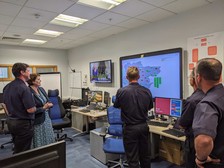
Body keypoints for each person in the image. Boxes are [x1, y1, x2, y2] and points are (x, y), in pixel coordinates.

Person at [114, 66, 153, 168]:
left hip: (130, 129)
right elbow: (149, 108)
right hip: (143, 127)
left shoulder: (121, 91)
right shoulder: (147, 91)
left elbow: (116, 106)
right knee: (145, 156)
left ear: (127, 77)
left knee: (132, 159)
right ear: (139, 76)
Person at [192, 58, 224, 168]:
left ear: (198, 78)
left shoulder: (207, 104)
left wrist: (202, 159)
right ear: (220, 77)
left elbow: (203, 141)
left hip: (215, 162)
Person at [3, 63, 36, 154]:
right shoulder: (24, 88)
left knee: (17, 147)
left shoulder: (7, 87)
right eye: (28, 71)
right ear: (22, 72)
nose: (29, 73)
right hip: (23, 124)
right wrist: (38, 107)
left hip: (11, 122)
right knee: (23, 152)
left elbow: (5, 105)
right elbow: (31, 109)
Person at [179, 68, 205, 168]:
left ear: (194, 80)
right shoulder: (211, 96)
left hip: (194, 143)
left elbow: (182, 124)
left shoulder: (192, 101)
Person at [27, 73, 55, 148]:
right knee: (39, 139)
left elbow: (48, 100)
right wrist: (43, 108)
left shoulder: (41, 89)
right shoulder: (28, 91)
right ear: (33, 81)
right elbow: (30, 109)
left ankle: (48, 151)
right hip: (37, 119)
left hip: (46, 118)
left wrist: (50, 104)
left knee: (48, 137)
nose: (40, 81)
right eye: (38, 79)